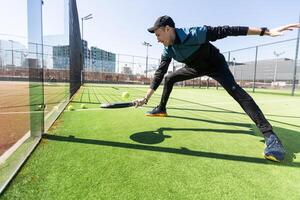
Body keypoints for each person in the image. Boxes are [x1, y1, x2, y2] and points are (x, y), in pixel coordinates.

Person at [134, 15, 300, 162]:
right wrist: (146, 98)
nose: (157, 39)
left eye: (158, 34)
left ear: (168, 29)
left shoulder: (195, 33)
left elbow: (228, 30)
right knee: (170, 78)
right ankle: (161, 108)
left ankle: (271, 137)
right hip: (195, 67)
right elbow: (160, 73)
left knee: (236, 92)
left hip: (216, 65)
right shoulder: (168, 50)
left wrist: (266, 31)